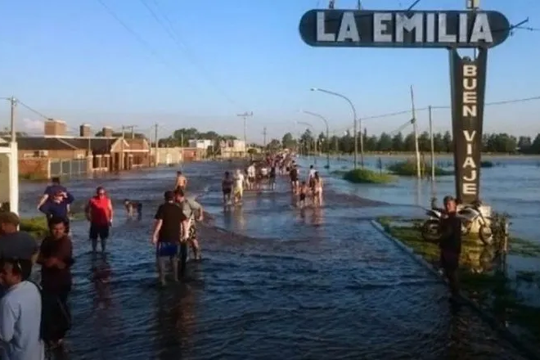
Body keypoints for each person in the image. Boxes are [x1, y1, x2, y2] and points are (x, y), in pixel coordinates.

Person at [37, 217, 73, 349]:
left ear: (65, 229)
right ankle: (53, 338)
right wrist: (52, 262)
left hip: (61, 282)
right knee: (49, 310)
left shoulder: (65, 242)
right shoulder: (47, 240)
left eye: (60, 229)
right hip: (47, 280)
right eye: (54, 229)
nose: (57, 232)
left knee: (59, 309)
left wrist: (51, 261)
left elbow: (48, 261)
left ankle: (59, 338)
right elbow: (39, 259)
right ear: (50, 228)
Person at [0, 258, 45, 360]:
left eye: (4, 273)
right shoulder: (32, 287)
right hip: (36, 352)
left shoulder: (8, 301)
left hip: (17, 355)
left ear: (17, 275)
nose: (0, 275)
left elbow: (5, 336)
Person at [152, 191, 189, 285]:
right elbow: (184, 221)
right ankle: (175, 278)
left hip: (164, 236)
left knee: (161, 258)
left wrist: (154, 235)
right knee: (174, 258)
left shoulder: (162, 208)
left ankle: (162, 279)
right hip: (175, 237)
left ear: (165, 198)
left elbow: (160, 222)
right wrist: (185, 234)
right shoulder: (177, 208)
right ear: (173, 198)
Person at [0, 212, 39, 280]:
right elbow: (36, 252)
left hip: (6, 279)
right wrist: (30, 264)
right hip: (25, 277)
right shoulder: (27, 236)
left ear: (4, 224)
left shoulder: (2, 240)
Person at [439, 195, 463, 302]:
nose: (447, 206)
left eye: (449, 204)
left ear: (454, 205)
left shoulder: (454, 219)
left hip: (452, 248)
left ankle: (456, 294)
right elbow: (441, 230)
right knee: (448, 271)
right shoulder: (447, 217)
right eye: (446, 204)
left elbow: (447, 232)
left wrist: (437, 238)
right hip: (445, 247)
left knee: (453, 272)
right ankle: (453, 292)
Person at [174, 189, 204, 261]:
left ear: (179, 196)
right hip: (181, 224)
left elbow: (199, 207)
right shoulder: (176, 204)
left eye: (175, 196)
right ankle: (183, 256)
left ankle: (197, 256)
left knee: (193, 240)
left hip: (190, 223)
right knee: (181, 240)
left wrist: (201, 216)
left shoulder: (188, 201)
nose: (174, 198)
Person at [85, 187, 113, 254]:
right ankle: (94, 251)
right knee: (94, 238)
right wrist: (88, 216)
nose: (101, 195)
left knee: (103, 238)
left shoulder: (107, 200)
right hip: (95, 222)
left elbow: (111, 210)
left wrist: (111, 219)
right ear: (97, 193)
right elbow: (86, 209)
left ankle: (103, 251)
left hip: (104, 222)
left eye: (103, 193)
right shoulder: (92, 200)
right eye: (100, 193)